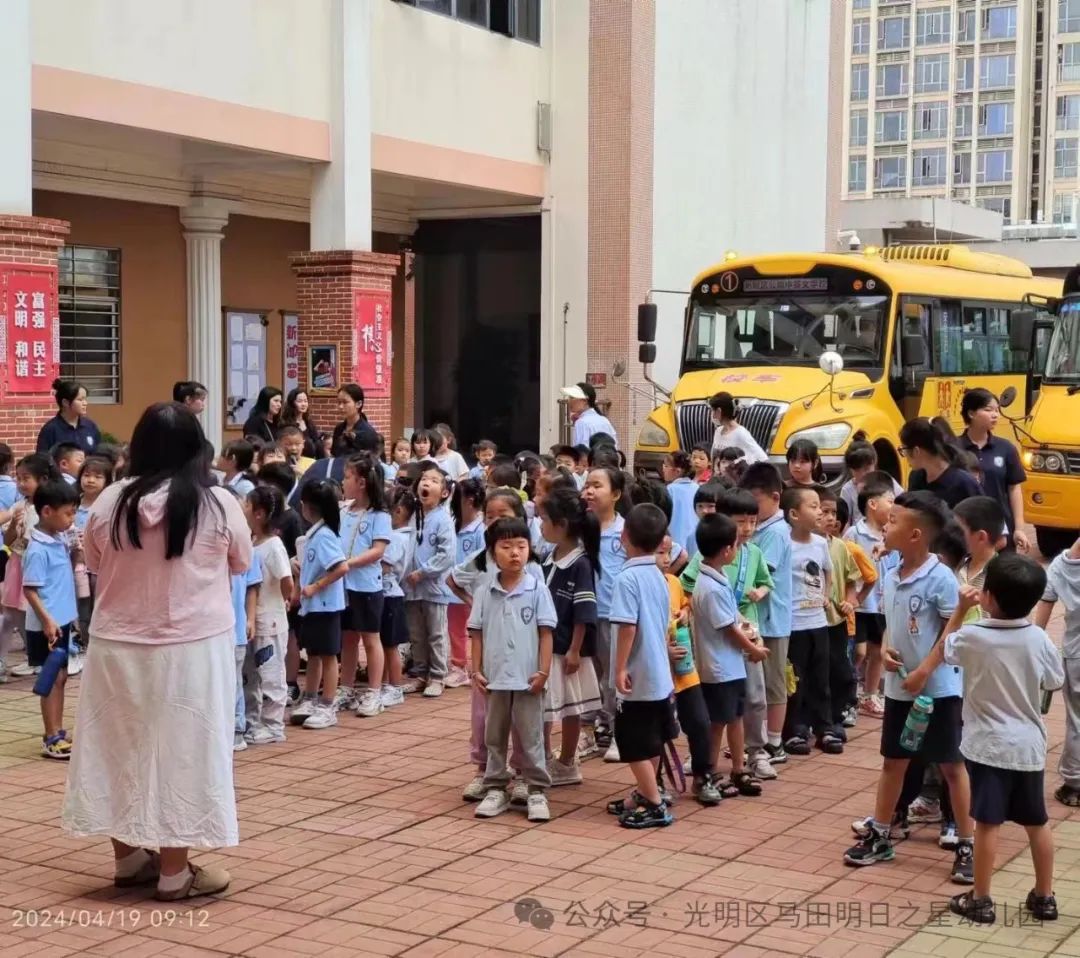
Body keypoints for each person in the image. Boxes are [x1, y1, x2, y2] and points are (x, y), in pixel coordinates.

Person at [62, 401, 251, 901]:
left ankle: (127, 860)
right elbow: (240, 561)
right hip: (193, 648)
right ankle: (174, 873)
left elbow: (97, 560)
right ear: (197, 448)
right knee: (185, 750)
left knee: (115, 746)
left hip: (116, 643)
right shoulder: (218, 503)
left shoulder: (109, 502)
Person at [903, 553, 1064, 924]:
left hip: (987, 746)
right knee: (1036, 821)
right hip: (1028, 747)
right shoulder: (1038, 638)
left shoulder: (974, 635)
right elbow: (1054, 681)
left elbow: (945, 647)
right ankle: (1044, 897)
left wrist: (959, 610)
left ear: (987, 596)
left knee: (988, 823)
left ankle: (982, 899)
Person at [843, 491, 974, 887]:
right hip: (900, 689)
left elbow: (955, 631)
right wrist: (884, 648)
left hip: (938, 690)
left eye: (895, 519)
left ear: (916, 534)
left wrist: (925, 671)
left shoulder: (940, 579)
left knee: (951, 766)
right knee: (894, 762)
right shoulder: (891, 567)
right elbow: (891, 622)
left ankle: (966, 843)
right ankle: (881, 834)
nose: (886, 523)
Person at [449, 488, 540, 803]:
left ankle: (523, 773)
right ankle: (484, 771)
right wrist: (474, 604)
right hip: (488, 653)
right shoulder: (481, 560)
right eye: (489, 517)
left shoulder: (533, 565)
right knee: (484, 715)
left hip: (523, 655)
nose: (494, 523)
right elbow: (453, 580)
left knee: (522, 717)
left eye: (503, 516)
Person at [469, 517, 555, 822]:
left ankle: (536, 789)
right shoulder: (484, 591)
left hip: (528, 679)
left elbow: (546, 633)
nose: (515, 553)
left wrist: (543, 672)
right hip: (495, 679)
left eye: (521, 546)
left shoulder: (537, 589)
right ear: (493, 552)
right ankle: (495, 787)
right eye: (506, 547)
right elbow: (476, 633)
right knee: (494, 734)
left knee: (531, 736)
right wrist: (475, 669)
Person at [608, 503, 677, 829]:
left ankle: (653, 802)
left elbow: (627, 627)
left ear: (624, 536)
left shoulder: (626, 578)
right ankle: (645, 790)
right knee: (652, 739)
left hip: (637, 674)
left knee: (633, 742)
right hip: (659, 674)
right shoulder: (659, 576)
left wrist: (620, 667)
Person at [694, 512, 770, 797]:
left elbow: (732, 618)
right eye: (736, 545)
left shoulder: (717, 578)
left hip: (730, 665)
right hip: (718, 667)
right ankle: (708, 773)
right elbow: (727, 629)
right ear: (727, 550)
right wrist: (753, 649)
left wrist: (746, 626)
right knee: (717, 723)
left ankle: (738, 768)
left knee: (735, 717)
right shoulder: (710, 587)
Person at [538, 485, 602, 786]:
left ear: (561, 525)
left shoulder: (581, 563)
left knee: (571, 707)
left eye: (543, 519)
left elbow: (583, 613)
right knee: (547, 705)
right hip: (547, 647)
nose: (539, 525)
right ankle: (543, 757)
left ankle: (566, 761)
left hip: (567, 651)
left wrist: (575, 650)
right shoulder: (549, 557)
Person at [715, 488, 775, 781]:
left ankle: (757, 752)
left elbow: (766, 583)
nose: (747, 528)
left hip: (749, 632)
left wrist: (759, 592)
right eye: (740, 521)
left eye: (752, 521)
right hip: (717, 635)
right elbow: (690, 584)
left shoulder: (754, 553)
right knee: (715, 697)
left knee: (754, 697)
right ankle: (705, 753)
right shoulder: (711, 551)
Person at [740, 463, 793, 765]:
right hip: (757, 619)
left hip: (771, 619)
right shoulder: (760, 529)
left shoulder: (775, 533)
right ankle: (758, 741)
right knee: (759, 684)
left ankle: (774, 742)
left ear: (775, 497)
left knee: (773, 683)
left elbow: (763, 576)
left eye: (755, 502)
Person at [23, 479, 79, 759]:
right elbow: (30, 589)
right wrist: (46, 621)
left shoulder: (58, 539)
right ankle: (51, 736)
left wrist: (75, 549)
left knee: (61, 677)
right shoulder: (37, 549)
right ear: (46, 511)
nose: (71, 519)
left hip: (62, 620)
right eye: (68, 513)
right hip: (48, 626)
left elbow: (64, 576)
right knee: (51, 679)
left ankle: (56, 730)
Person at [780, 486, 836, 756]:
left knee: (821, 679)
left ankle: (824, 728)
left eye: (820, 507)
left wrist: (825, 596)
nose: (820, 512)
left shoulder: (821, 543)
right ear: (793, 514)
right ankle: (793, 730)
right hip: (794, 625)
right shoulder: (784, 544)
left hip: (818, 622)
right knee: (795, 680)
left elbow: (828, 572)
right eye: (813, 507)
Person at [289, 481, 348, 730]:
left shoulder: (324, 536)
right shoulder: (313, 535)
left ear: (308, 507)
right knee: (313, 653)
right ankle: (311, 698)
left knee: (327, 655)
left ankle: (327, 704)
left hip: (324, 605)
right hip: (311, 605)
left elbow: (341, 567)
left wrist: (316, 586)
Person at [337, 453, 392, 718]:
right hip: (344, 585)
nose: (343, 481)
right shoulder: (343, 509)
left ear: (361, 482)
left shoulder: (379, 514)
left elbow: (378, 550)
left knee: (371, 639)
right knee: (348, 638)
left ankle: (373, 691)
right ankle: (345, 688)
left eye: (347, 477)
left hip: (367, 585)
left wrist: (349, 563)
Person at [582, 466, 630, 761]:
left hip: (614, 614)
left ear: (615, 494)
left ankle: (619, 732)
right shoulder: (579, 529)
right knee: (590, 676)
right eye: (586, 485)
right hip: (585, 614)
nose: (589, 491)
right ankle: (597, 727)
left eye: (597, 486)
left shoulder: (625, 531)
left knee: (614, 677)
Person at [844, 473, 900, 718]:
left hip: (882, 603)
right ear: (872, 504)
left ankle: (870, 694)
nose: (893, 506)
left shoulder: (893, 535)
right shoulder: (854, 534)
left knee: (878, 650)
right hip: (860, 603)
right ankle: (849, 687)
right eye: (890, 501)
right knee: (859, 651)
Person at [2, 454, 62, 678]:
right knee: (13, 612)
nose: (20, 483)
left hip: (37, 565)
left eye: (26, 478)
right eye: (18, 478)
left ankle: (39, 656)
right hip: (17, 563)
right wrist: (13, 528)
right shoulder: (19, 506)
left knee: (33, 612)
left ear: (43, 479)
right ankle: (32, 654)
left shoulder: (48, 508)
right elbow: (8, 541)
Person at [403, 461, 455, 697]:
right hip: (411, 587)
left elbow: (447, 555)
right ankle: (421, 673)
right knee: (416, 634)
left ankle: (438, 675)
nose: (427, 483)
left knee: (436, 633)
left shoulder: (443, 519)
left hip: (433, 586)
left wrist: (423, 571)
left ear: (444, 493)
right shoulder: (412, 515)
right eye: (424, 479)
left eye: (434, 481)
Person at [956, 388, 1029, 551]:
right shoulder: (954, 449)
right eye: (988, 410)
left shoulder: (1006, 448)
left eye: (997, 410)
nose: (995, 415)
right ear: (971, 413)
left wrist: (1018, 529)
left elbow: (1014, 488)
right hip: (965, 531)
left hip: (1001, 531)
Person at [1037, 535, 1080, 804]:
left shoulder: (1060, 567)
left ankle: (1075, 782)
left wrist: (1034, 644)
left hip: (1076, 653)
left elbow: (1044, 606)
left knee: (1077, 718)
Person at [817, 487, 861, 745]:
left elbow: (854, 580)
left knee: (841, 673)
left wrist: (850, 601)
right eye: (823, 512)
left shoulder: (841, 547)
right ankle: (815, 723)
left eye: (833, 513)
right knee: (816, 674)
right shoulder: (802, 545)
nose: (830, 518)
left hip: (836, 621)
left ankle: (835, 719)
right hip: (812, 622)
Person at [378, 487, 416, 707]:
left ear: (398, 511)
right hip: (387, 593)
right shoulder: (400, 535)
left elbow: (385, 566)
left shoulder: (397, 538)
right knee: (384, 643)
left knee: (390, 645)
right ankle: (384, 684)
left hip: (390, 594)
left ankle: (394, 685)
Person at [448, 478, 486, 687]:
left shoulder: (480, 529)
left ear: (469, 501)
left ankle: (477, 666)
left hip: (472, 588)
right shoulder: (453, 525)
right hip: (453, 588)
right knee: (455, 628)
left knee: (474, 629)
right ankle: (458, 665)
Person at [229, 526, 262, 752]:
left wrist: (250, 619)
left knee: (235, 680)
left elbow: (253, 588)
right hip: (215, 629)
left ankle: (237, 729)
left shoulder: (249, 550)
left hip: (237, 628)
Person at [902, 418, 982, 508]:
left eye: (903, 450)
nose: (904, 455)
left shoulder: (965, 484)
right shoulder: (915, 477)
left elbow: (982, 519)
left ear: (917, 451)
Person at [839, 441, 904, 524]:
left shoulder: (886, 481)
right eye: (857, 470)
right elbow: (845, 521)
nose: (863, 474)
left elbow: (903, 502)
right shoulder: (848, 490)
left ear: (874, 463)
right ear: (851, 469)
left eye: (867, 469)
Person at [36, 379, 101, 455]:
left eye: (85, 399)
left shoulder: (90, 426)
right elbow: (42, 460)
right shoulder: (50, 429)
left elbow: (99, 455)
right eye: (80, 400)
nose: (85, 403)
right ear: (65, 402)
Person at [708, 392, 768, 464]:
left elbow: (762, 458)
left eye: (712, 410)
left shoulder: (741, 433)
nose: (712, 414)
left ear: (719, 411)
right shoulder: (718, 431)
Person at [662, 451, 699, 555]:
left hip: (675, 544)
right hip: (695, 544)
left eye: (666, 466)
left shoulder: (670, 490)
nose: (663, 469)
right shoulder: (697, 487)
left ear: (677, 471)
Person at [561, 382, 618, 449]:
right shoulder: (604, 420)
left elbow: (581, 452)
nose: (568, 401)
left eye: (572, 397)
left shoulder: (582, 422)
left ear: (585, 401)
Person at [331, 384, 379, 457]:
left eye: (345, 402)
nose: (340, 406)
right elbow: (334, 455)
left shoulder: (368, 433)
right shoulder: (339, 429)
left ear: (359, 404)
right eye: (339, 402)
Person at [280, 388, 324, 460]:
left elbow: (316, 441)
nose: (303, 404)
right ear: (292, 403)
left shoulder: (308, 422)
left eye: (305, 401)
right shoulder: (286, 424)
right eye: (300, 401)